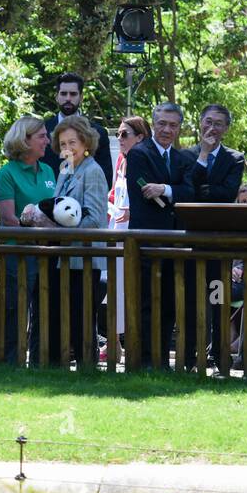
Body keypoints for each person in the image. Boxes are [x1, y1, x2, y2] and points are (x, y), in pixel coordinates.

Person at [125, 102, 196, 367]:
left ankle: (162, 359)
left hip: (174, 241)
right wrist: (172, 191)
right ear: (153, 124)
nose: (167, 129)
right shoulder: (139, 153)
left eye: (173, 125)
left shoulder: (182, 159)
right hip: (146, 239)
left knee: (168, 302)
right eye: (162, 123)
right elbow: (143, 190)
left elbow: (189, 193)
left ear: (179, 128)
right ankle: (144, 360)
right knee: (145, 301)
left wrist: (165, 189)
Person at [36, 115, 109, 366]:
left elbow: (95, 219)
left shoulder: (93, 171)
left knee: (81, 316)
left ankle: (87, 367)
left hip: (83, 258)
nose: (67, 148)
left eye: (72, 142)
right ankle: (57, 367)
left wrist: (60, 229)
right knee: (58, 313)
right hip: (62, 255)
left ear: (86, 142)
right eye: (63, 144)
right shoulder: (65, 168)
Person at [0, 116, 56, 365]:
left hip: (47, 252)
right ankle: (10, 363)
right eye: (42, 136)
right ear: (25, 140)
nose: (47, 140)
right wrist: (37, 226)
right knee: (15, 310)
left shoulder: (49, 170)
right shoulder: (7, 173)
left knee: (45, 309)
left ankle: (40, 364)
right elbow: (8, 219)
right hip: (17, 254)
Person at [189, 104, 245, 372]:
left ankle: (221, 356)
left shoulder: (234, 158)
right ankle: (191, 355)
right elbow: (187, 190)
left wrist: (200, 190)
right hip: (190, 239)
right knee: (191, 299)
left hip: (219, 242)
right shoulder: (186, 155)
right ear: (200, 123)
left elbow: (227, 193)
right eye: (208, 122)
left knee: (217, 298)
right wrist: (202, 156)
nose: (212, 128)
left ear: (226, 128)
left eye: (218, 123)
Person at [103, 115, 149, 353]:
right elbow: (114, 192)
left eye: (124, 134)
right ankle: (114, 342)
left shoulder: (145, 161)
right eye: (117, 134)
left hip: (135, 233)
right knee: (115, 287)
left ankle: (132, 342)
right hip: (116, 231)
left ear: (140, 137)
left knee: (131, 288)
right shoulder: (121, 160)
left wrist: (133, 211)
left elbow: (146, 192)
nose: (119, 138)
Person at [42, 72, 113, 186]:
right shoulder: (42, 131)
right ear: (57, 97)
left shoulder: (98, 133)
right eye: (63, 94)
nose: (68, 98)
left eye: (73, 94)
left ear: (81, 97)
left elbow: (105, 179)